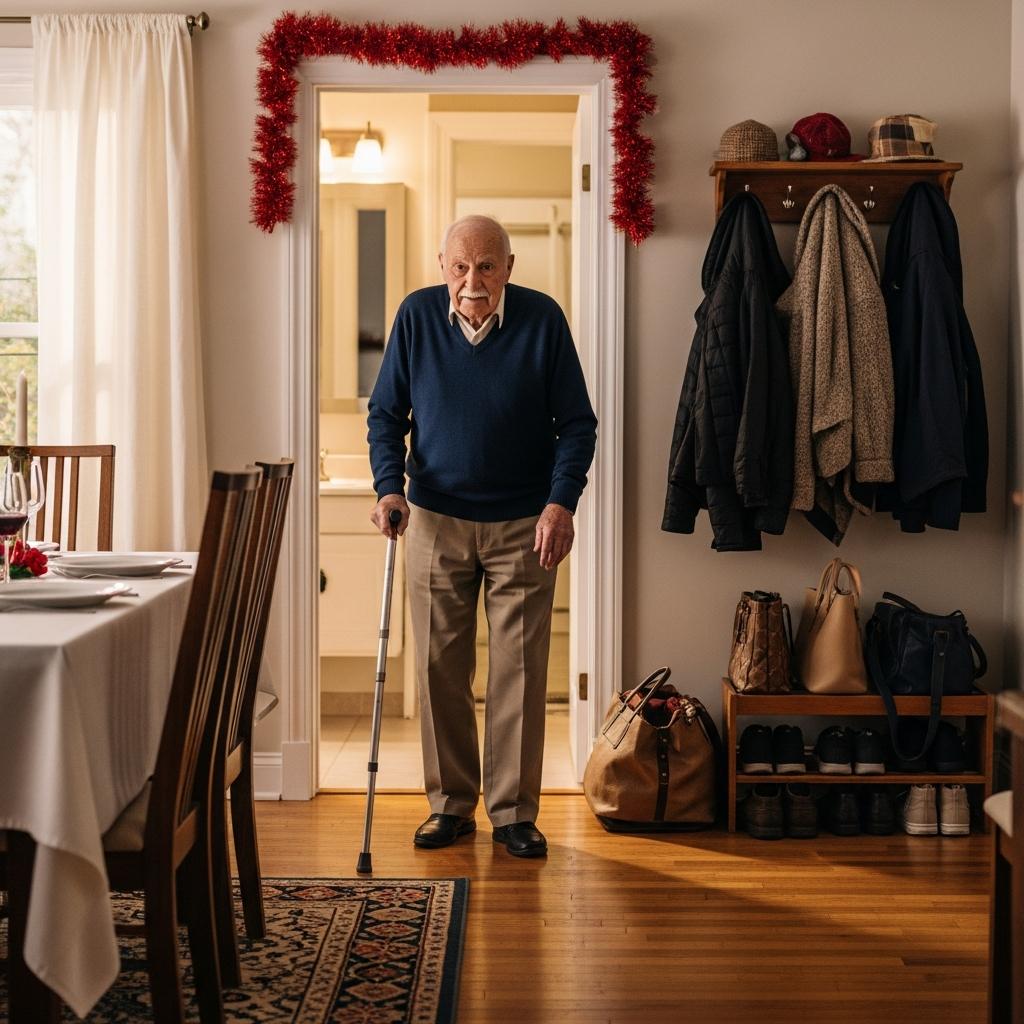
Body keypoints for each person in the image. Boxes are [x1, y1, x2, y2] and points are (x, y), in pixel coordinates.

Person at [367, 214, 597, 858]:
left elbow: (577, 424)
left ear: (509, 268)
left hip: (526, 524)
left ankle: (515, 812)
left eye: (488, 266)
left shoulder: (543, 320)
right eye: (461, 266)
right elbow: (386, 415)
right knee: (441, 668)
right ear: (442, 265)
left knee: (518, 672)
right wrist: (389, 487)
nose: (474, 281)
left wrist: (560, 504)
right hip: (434, 518)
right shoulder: (416, 319)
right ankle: (450, 806)